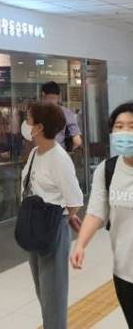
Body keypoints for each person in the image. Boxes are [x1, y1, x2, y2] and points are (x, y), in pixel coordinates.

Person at [20, 102, 83, 329]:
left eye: (28, 119)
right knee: (42, 288)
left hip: (52, 229)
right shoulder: (35, 153)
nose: (25, 124)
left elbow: (74, 201)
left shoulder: (59, 158)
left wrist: (62, 216)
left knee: (53, 292)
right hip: (34, 227)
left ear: (39, 127)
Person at [71, 102, 133, 328]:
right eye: (119, 126)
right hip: (124, 272)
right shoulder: (107, 170)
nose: (125, 132)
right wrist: (80, 244)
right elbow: (96, 212)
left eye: (132, 126)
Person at [41, 81, 82, 151]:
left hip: (40, 153)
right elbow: (77, 142)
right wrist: (66, 152)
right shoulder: (67, 113)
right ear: (59, 96)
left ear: (43, 95)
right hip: (59, 152)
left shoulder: (36, 112)